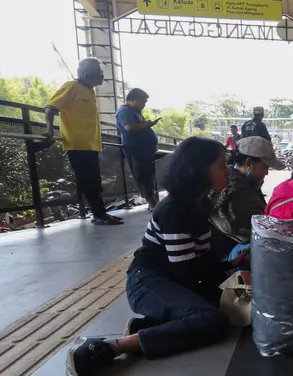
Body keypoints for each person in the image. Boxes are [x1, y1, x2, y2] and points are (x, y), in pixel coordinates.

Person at [67, 137, 248, 375]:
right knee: (212, 320)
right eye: (221, 165)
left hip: (174, 278)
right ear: (199, 171)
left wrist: (230, 266)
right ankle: (106, 348)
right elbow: (189, 273)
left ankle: (147, 327)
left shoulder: (199, 203)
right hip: (146, 282)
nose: (228, 170)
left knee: (232, 306)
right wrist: (226, 276)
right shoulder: (175, 210)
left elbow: (198, 264)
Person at [44, 57, 122, 225]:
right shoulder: (72, 87)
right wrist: (49, 130)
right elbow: (50, 108)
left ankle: (99, 214)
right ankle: (99, 215)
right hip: (78, 144)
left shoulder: (88, 90)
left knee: (93, 180)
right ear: (90, 74)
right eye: (100, 73)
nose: (103, 77)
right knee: (90, 182)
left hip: (90, 145)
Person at [210, 136, 285, 270]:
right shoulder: (235, 188)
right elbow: (249, 234)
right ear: (249, 163)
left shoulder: (246, 183)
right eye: (265, 167)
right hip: (229, 258)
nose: (267, 173)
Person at [116, 88, 160, 211]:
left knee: (148, 175)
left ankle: (153, 200)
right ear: (133, 100)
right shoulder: (124, 111)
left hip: (145, 149)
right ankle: (151, 202)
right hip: (135, 149)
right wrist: (147, 125)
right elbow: (129, 127)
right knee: (142, 175)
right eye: (143, 102)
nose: (144, 105)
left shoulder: (135, 111)